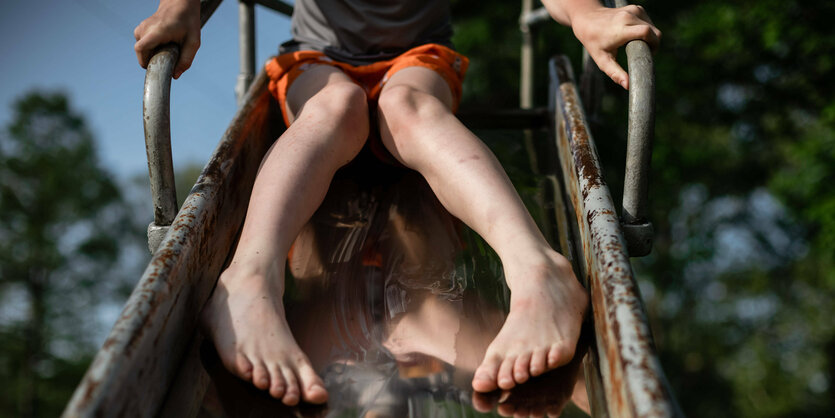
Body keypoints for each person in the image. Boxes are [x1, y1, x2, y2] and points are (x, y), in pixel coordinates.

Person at [134, 0, 661, 407]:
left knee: (406, 106)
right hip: (318, 63)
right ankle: (249, 280)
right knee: (335, 106)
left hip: (415, 63)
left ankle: (537, 269)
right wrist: (180, 8)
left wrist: (588, 14)